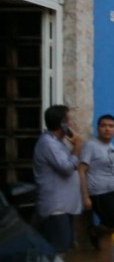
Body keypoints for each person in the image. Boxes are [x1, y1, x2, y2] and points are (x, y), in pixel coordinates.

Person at [33, 104, 83, 253]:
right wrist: (78, 147)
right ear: (63, 124)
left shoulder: (58, 143)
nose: (73, 124)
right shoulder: (48, 144)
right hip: (56, 209)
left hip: (64, 207)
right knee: (57, 254)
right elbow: (67, 168)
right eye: (70, 120)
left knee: (64, 250)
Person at [79, 114, 114, 251]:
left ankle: (105, 261)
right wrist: (85, 196)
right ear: (97, 128)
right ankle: (93, 232)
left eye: (111, 126)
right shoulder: (91, 145)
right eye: (103, 126)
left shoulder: (111, 145)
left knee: (109, 227)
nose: (107, 129)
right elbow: (81, 170)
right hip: (100, 192)